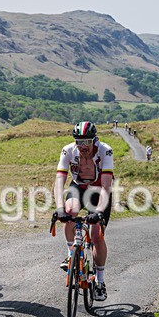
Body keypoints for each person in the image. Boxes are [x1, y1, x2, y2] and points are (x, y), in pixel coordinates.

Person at [54, 121, 113, 301]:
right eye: (79, 141)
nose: (83, 146)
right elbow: (59, 181)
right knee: (69, 212)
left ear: (94, 140)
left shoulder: (105, 151)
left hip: (98, 189)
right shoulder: (68, 150)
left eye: (87, 141)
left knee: (96, 235)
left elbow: (106, 187)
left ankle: (100, 282)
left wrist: (99, 212)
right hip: (78, 186)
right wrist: (59, 208)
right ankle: (71, 255)